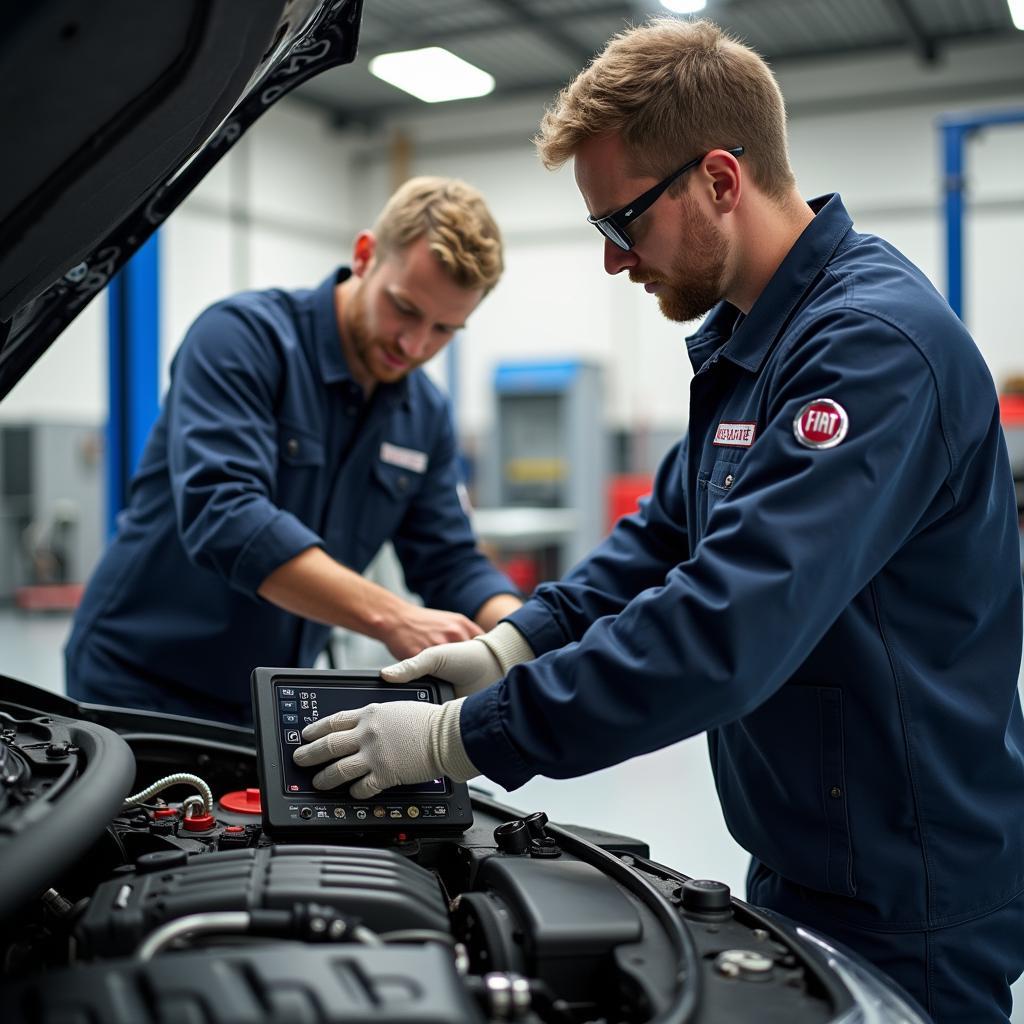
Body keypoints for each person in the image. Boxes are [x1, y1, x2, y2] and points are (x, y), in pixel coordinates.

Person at [291, 19, 1024, 1023]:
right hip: (809, 849)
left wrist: (464, 736)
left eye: (620, 222)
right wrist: (512, 643)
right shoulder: (752, 342)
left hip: (910, 879)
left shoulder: (870, 350)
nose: (611, 261)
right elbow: (662, 541)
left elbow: (725, 624)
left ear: (720, 180)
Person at [66, 177, 522, 726]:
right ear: (364, 256)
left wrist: (517, 634)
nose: (415, 345)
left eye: (445, 329)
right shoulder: (241, 339)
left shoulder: (422, 413)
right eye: (404, 308)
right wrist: (393, 617)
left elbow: (448, 557)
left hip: (273, 698)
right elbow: (225, 515)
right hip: (140, 682)